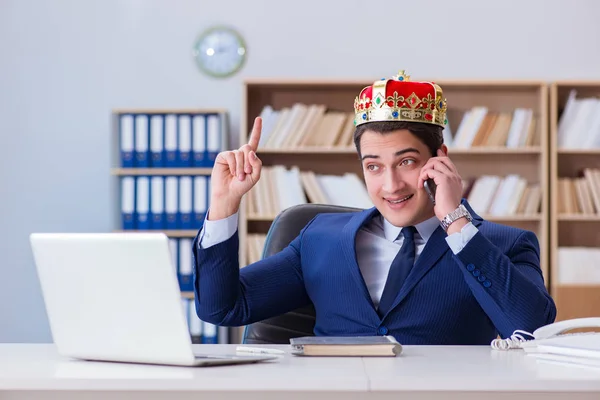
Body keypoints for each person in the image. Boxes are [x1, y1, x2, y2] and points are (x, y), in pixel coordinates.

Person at [192, 70, 556, 345]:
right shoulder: (320, 238)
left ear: (440, 159)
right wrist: (224, 204)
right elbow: (222, 308)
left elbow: (532, 330)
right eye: (374, 166)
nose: (391, 185)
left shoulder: (504, 244)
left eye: (407, 162)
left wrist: (456, 222)